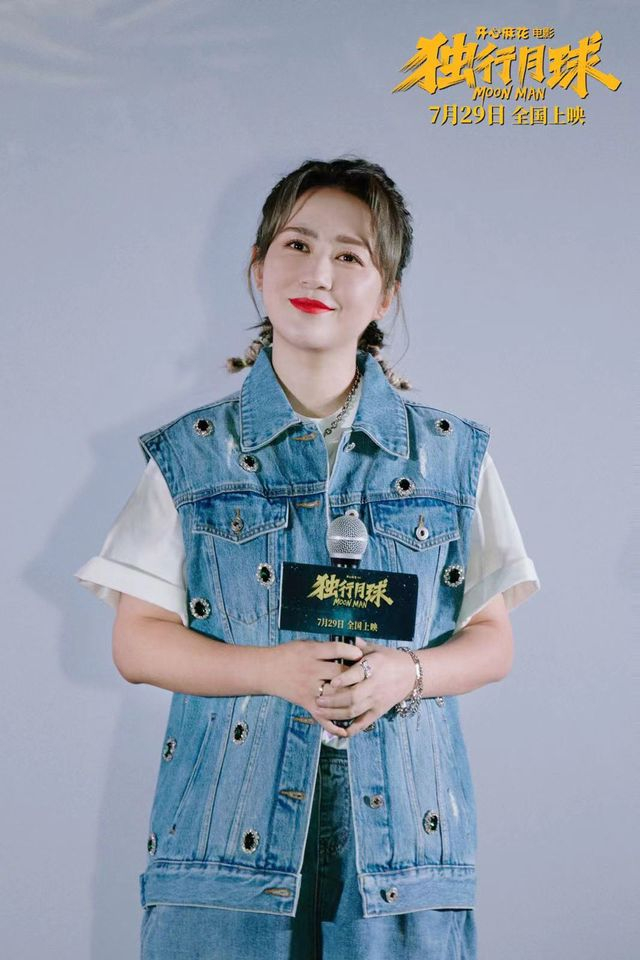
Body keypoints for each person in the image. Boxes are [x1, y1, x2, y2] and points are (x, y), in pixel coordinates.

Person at [74, 156, 540, 959]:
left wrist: (406, 674)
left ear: (386, 294)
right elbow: (137, 642)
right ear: (257, 268)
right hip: (226, 844)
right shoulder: (193, 455)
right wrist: (272, 671)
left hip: (401, 849)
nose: (318, 272)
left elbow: (493, 642)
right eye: (296, 245)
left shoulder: (451, 458)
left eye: (350, 255)